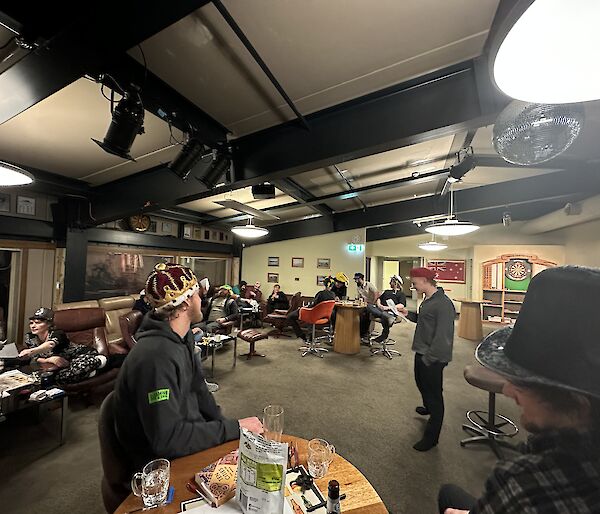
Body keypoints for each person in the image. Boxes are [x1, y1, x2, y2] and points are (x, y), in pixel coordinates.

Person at [439, 266, 600, 513]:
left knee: (448, 496)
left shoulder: (528, 485)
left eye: (524, 383)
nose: (507, 390)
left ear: (579, 404)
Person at [113, 262, 263, 473]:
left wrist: (229, 431)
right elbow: (167, 440)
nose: (201, 299)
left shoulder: (184, 339)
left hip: (187, 441)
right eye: (196, 294)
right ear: (184, 303)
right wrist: (235, 428)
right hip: (159, 468)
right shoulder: (155, 358)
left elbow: (200, 391)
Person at [400, 267, 455, 451]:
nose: (413, 286)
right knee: (420, 382)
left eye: (414, 282)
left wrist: (429, 359)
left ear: (424, 280)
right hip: (422, 351)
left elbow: (443, 337)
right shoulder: (428, 299)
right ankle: (428, 407)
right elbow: (424, 320)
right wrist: (408, 314)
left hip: (433, 356)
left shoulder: (443, 304)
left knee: (434, 395)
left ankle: (432, 438)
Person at [18, 307, 109, 385]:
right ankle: (90, 372)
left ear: (49, 324)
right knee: (59, 378)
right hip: (64, 364)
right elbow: (36, 357)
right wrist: (49, 359)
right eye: (31, 323)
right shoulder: (30, 337)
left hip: (81, 355)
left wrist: (31, 351)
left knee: (77, 368)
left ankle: (100, 360)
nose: (33, 326)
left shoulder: (58, 333)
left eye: (37, 323)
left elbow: (50, 345)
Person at [286, 276, 336, 341]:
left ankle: (301, 335)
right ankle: (310, 337)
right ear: (332, 286)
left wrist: (304, 307)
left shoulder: (320, 293)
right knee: (310, 315)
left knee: (290, 316)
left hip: (314, 314)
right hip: (324, 316)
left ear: (324, 284)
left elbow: (313, 305)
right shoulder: (333, 294)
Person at [367, 275, 406, 343]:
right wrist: (379, 305)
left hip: (390, 311)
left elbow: (401, 305)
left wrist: (388, 307)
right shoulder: (386, 291)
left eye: (391, 282)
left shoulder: (401, 294)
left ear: (395, 283)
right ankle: (387, 317)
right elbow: (379, 299)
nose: (389, 283)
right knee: (368, 306)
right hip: (380, 310)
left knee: (385, 314)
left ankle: (384, 334)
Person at [353, 272, 379, 339]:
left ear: (362, 279)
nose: (356, 281)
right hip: (365, 304)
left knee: (365, 315)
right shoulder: (358, 287)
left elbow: (376, 293)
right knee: (357, 313)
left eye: (357, 279)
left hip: (372, 304)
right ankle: (360, 332)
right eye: (355, 279)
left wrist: (373, 303)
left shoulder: (369, 285)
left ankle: (365, 332)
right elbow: (359, 296)